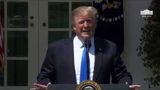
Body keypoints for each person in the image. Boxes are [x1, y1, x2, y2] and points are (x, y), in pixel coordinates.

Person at [32, 6, 141, 90]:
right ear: (74, 27)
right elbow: (44, 76)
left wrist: (125, 85)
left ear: (95, 25)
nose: (86, 25)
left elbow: (121, 75)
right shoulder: (56, 49)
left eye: (89, 21)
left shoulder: (109, 47)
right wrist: (49, 86)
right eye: (81, 22)